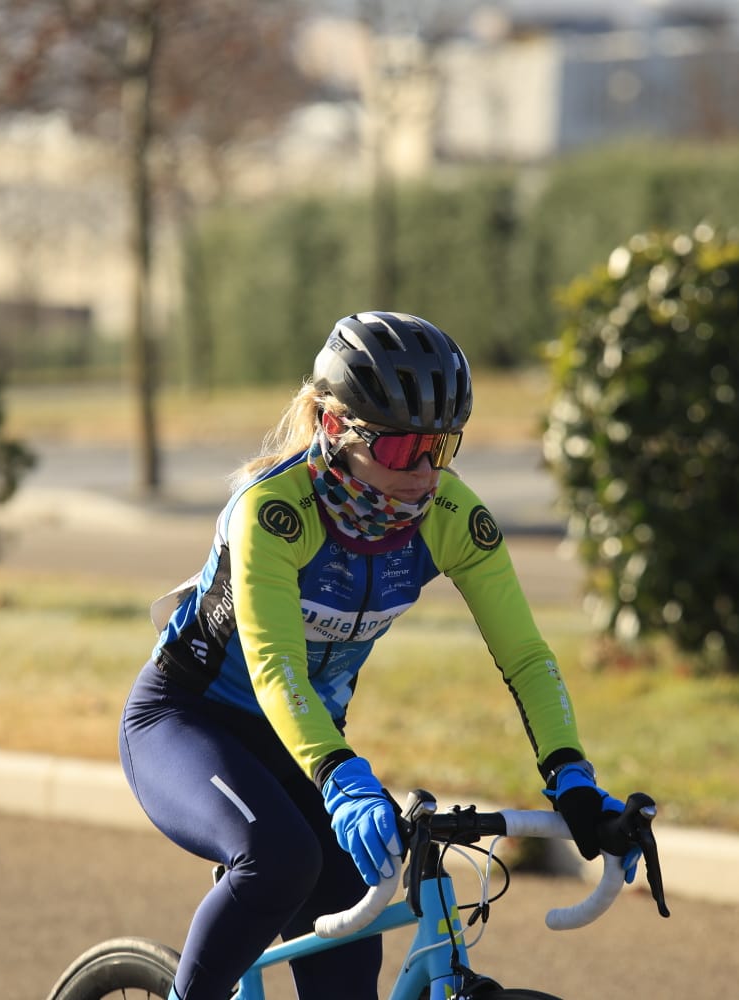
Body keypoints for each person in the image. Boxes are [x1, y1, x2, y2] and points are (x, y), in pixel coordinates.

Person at [119, 311, 639, 1000]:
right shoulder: (274, 513)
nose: (424, 473)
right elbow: (275, 669)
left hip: (302, 744)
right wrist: (341, 778)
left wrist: (571, 774)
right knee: (278, 861)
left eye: (441, 448)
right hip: (186, 723)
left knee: (345, 970)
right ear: (335, 429)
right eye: (400, 452)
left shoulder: (452, 519)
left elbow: (526, 658)